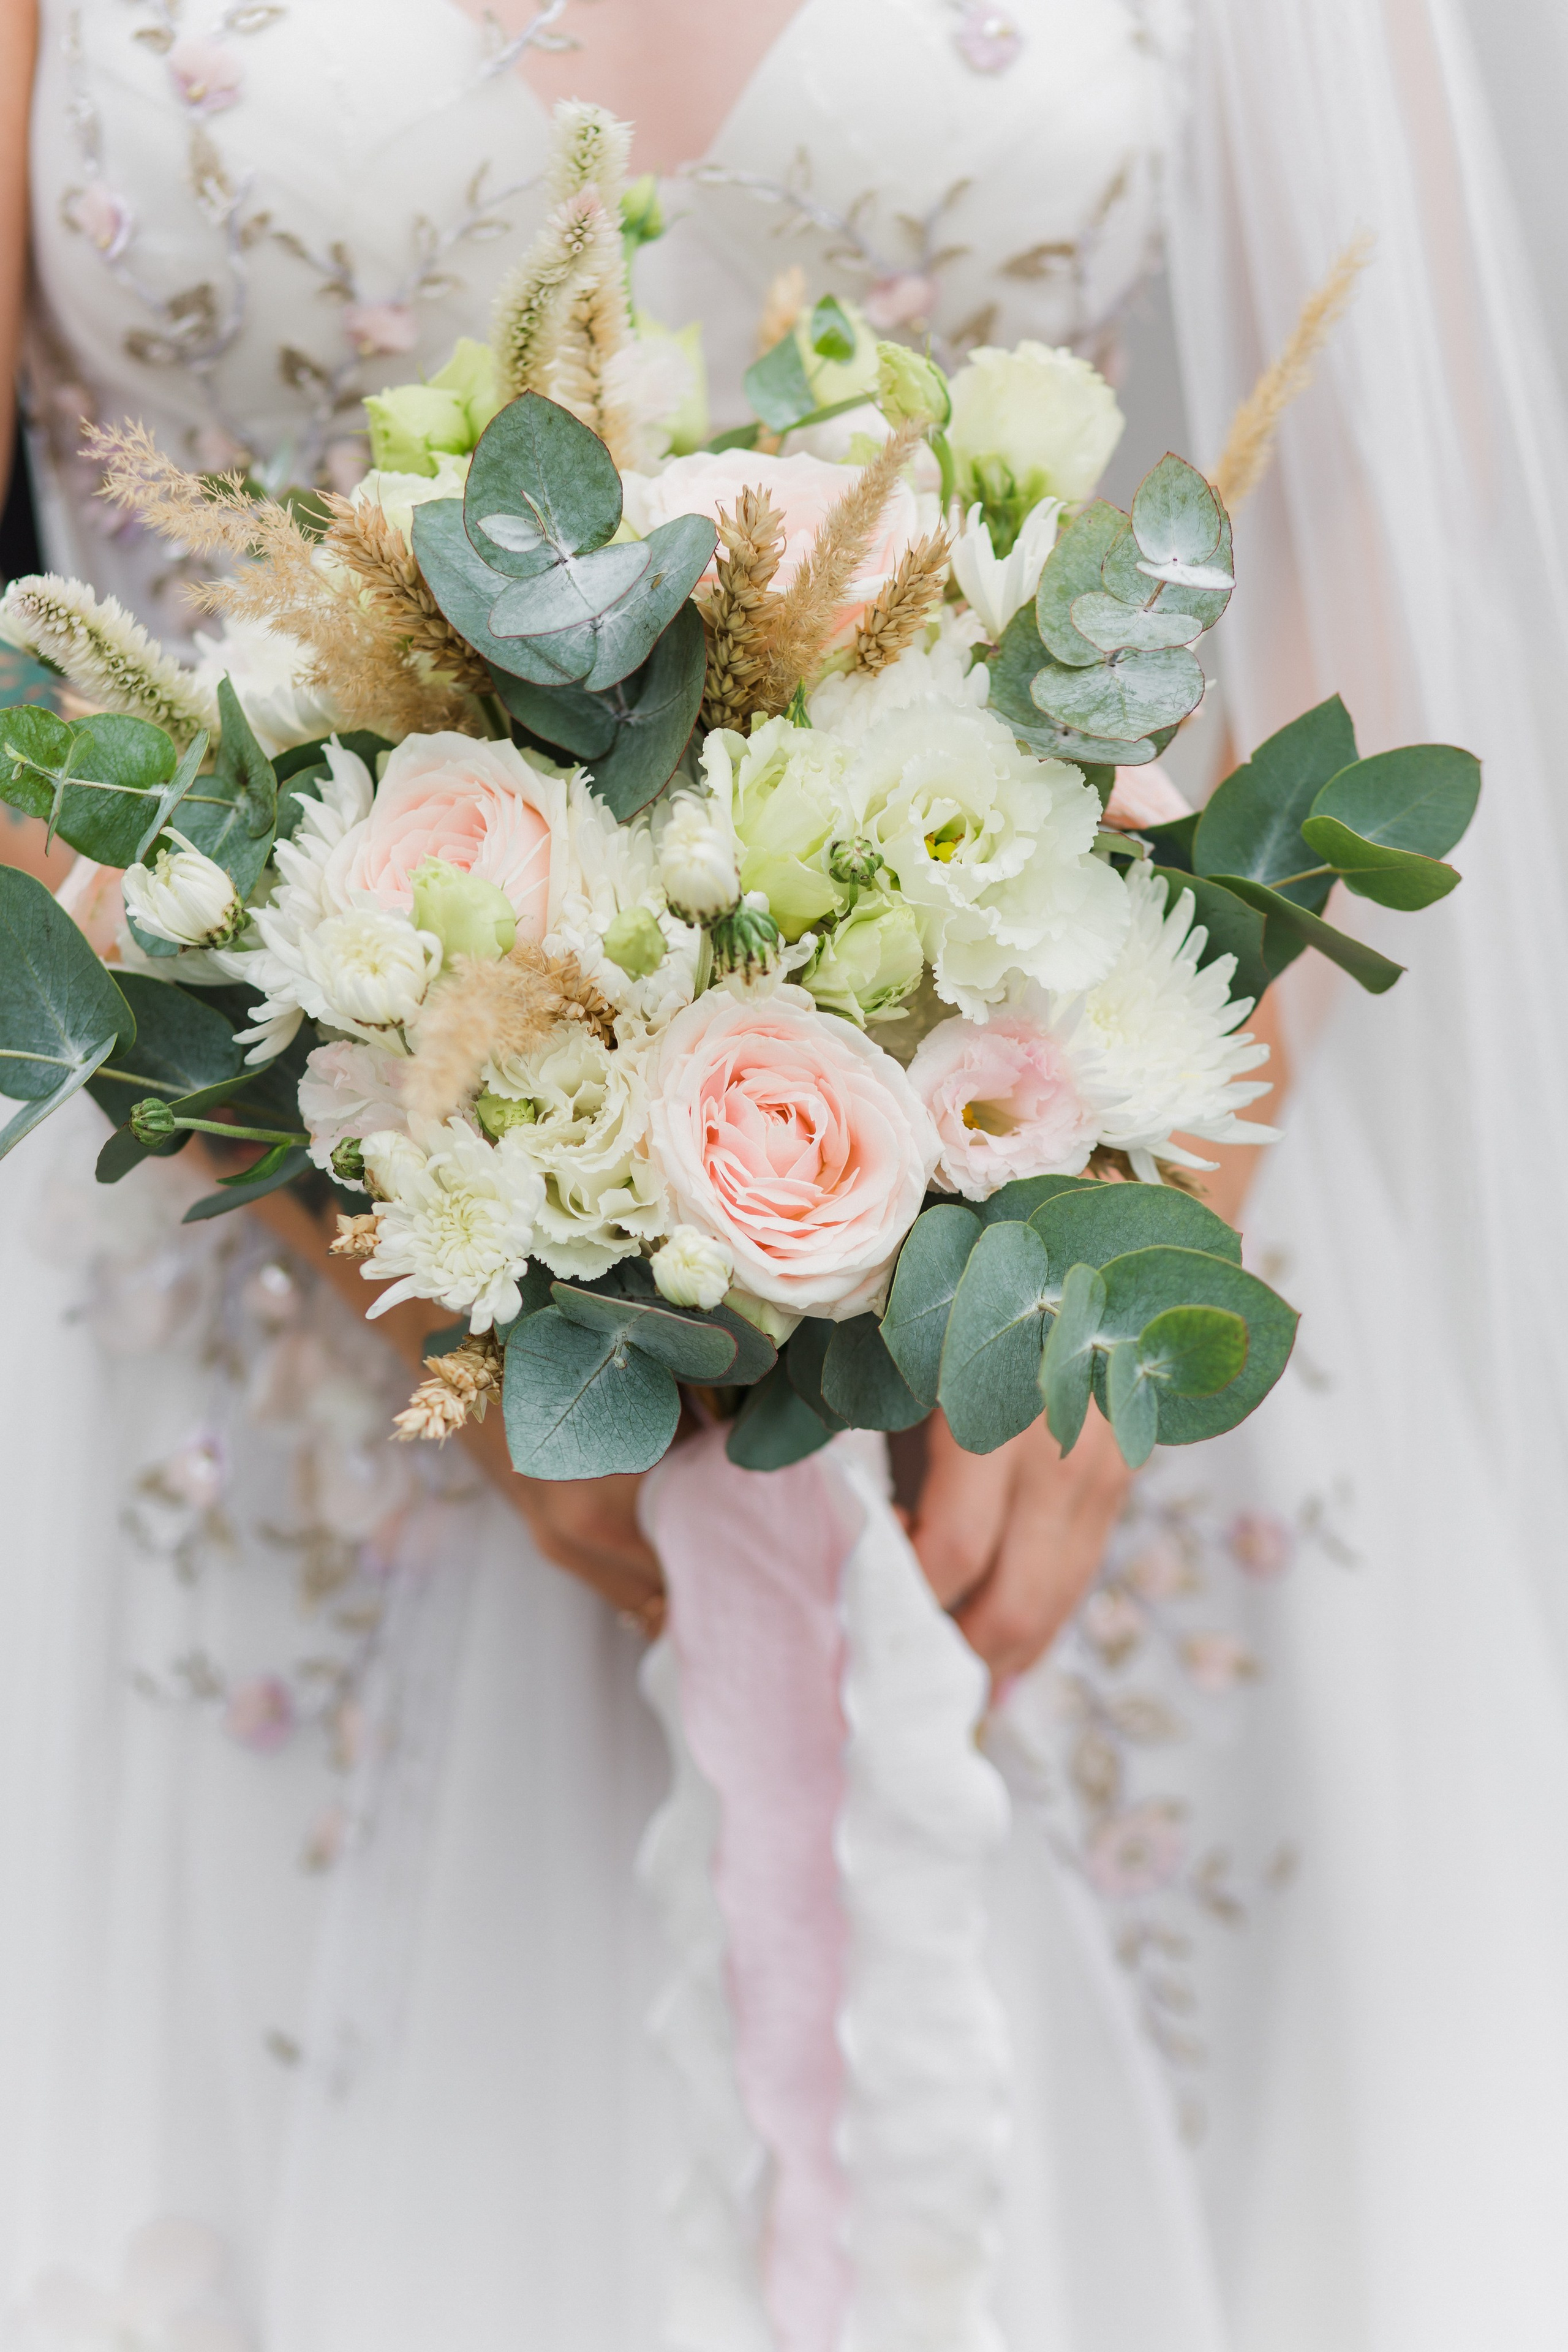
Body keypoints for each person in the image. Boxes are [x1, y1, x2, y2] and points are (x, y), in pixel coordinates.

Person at [2, 2, 1567, 2346]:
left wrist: (1128, 1215)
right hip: (239, 1301)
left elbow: (1378, 480)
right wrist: (412, 1223)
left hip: (1046, 1335)